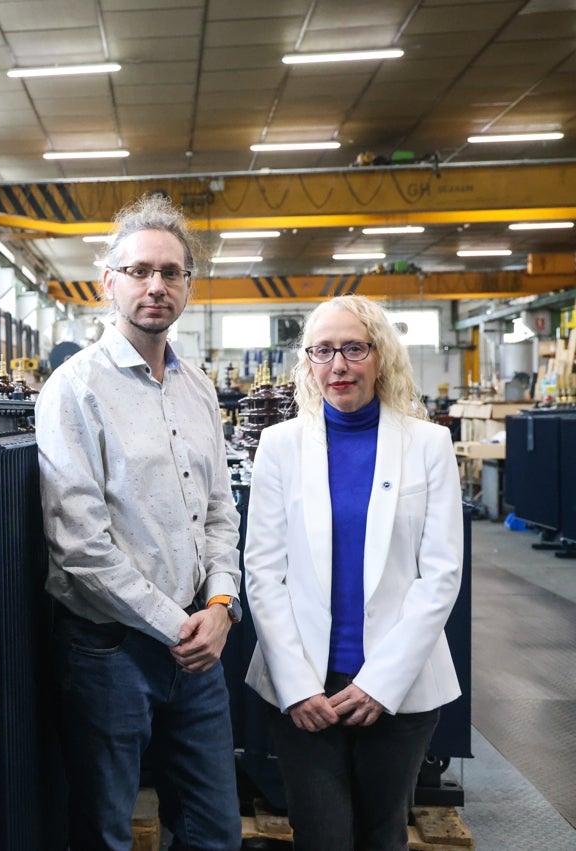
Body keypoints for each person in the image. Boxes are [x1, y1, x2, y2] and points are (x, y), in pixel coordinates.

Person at [36, 194, 243, 851]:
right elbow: (82, 550)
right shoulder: (74, 390)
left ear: (188, 285)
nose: (156, 285)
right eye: (140, 270)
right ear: (109, 282)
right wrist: (176, 624)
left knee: (214, 832)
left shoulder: (199, 388)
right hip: (111, 652)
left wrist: (221, 605)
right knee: (106, 833)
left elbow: (218, 510)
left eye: (172, 272)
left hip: (198, 644)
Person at [244, 295, 463, 851]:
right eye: (322, 351)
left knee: (382, 834)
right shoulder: (279, 446)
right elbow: (264, 572)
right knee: (320, 835)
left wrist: (380, 683)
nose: (337, 365)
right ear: (308, 362)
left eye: (353, 348)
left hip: (400, 687)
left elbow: (440, 576)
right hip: (304, 689)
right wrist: (295, 687)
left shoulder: (429, 445)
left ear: (380, 356)